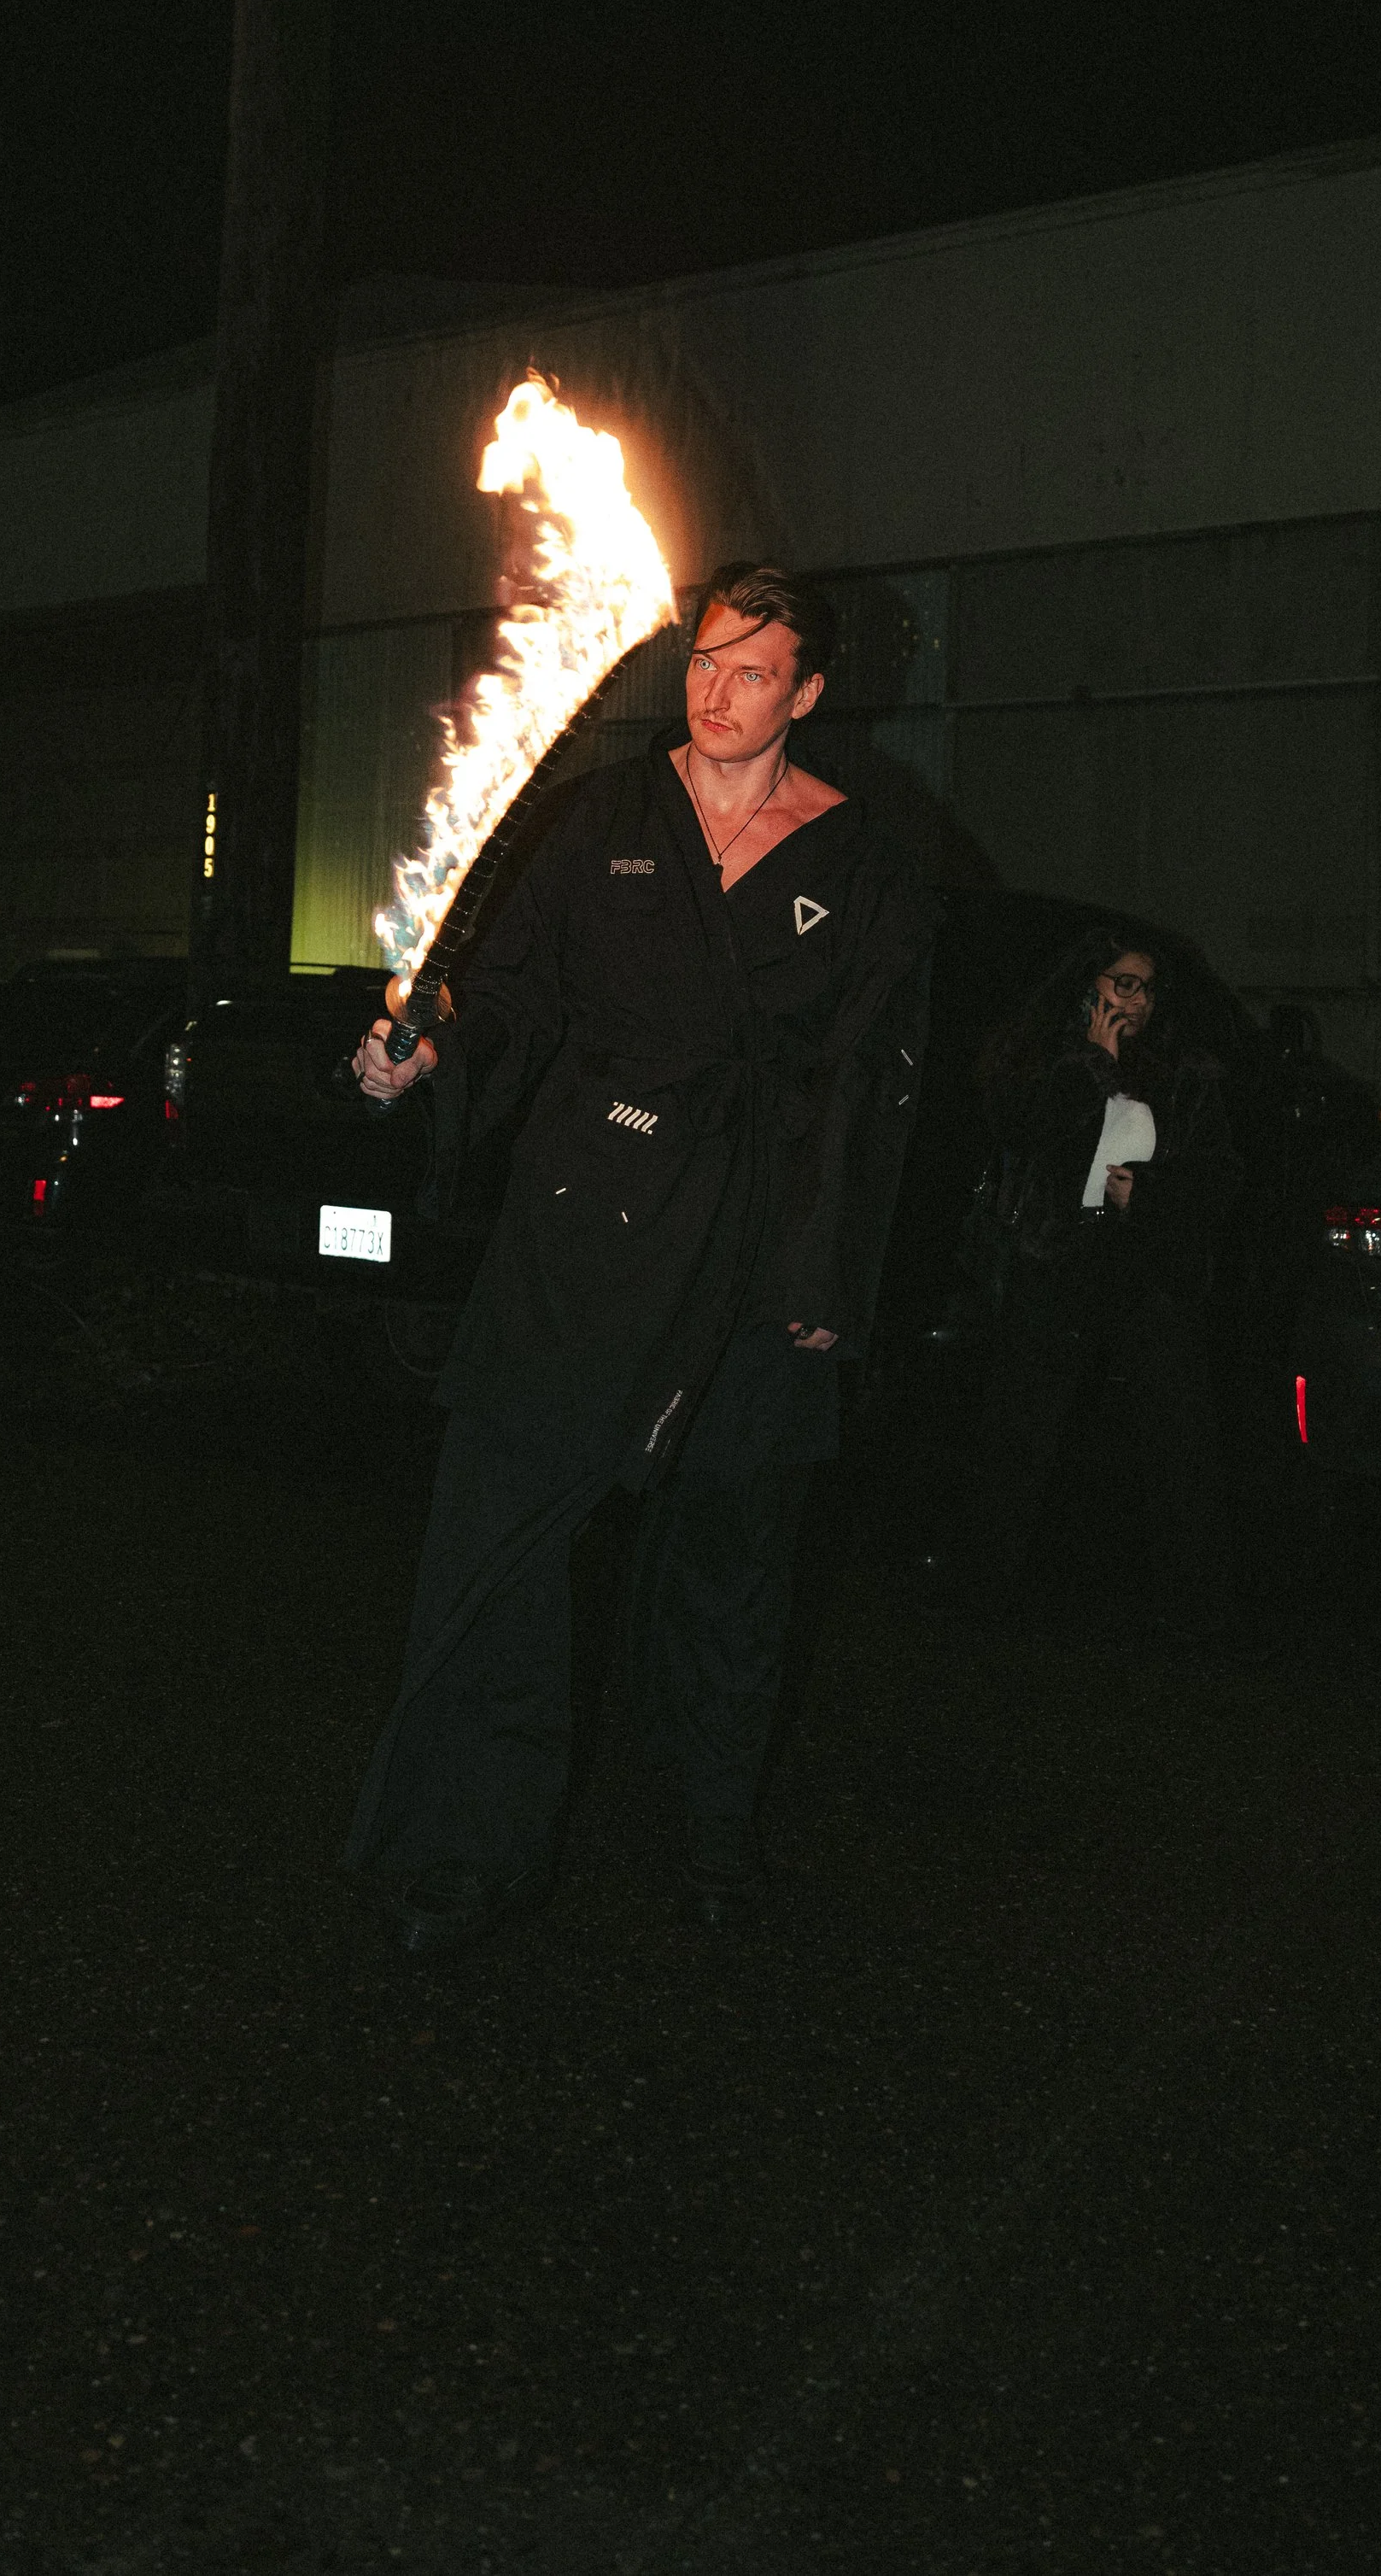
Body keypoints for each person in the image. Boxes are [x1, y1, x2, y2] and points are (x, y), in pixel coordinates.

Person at [347, 563, 940, 1958]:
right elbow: (512, 993)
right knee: (500, 1546)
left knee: (733, 1559)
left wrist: (823, 1290)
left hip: (751, 1245)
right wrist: (428, 1053)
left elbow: (866, 1088)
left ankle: (715, 1835)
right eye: (702, 663)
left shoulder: (867, 859)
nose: (715, 693)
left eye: (751, 671)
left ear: (809, 691)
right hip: (584, 1224)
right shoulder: (605, 817)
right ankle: (462, 1854)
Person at [933, 926, 1242, 1630]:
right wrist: (1096, 1065)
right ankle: (986, 1593)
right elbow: (1032, 1135)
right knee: (1020, 1434)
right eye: (1122, 983)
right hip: (1055, 1264)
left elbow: (1217, 1178)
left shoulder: (1184, 1072)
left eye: (1148, 989)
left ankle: (1195, 1608)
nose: (1135, 1003)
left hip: (1145, 1272)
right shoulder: (1039, 1060)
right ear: (1089, 984)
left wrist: (1151, 1197)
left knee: (1176, 1439)